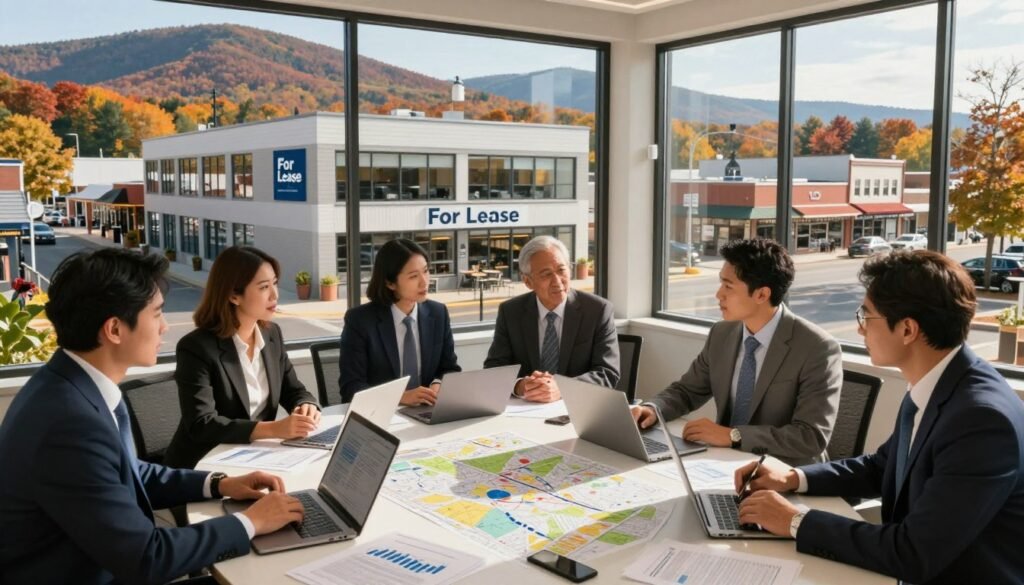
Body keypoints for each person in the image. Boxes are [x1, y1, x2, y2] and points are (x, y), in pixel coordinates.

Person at [0, 248, 304, 584]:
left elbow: (130, 472)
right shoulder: (69, 424)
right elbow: (148, 556)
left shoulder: (72, 387)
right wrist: (251, 523)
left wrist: (220, 483)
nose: (164, 327)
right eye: (157, 314)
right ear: (115, 329)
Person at [736, 250, 1024, 584]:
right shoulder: (939, 383)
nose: (860, 331)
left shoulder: (981, 422)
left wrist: (797, 520)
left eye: (866, 317)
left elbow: (914, 552)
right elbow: (882, 466)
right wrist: (794, 477)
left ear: (907, 330)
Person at [632, 238, 841, 466]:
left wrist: (733, 436)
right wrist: (652, 409)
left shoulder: (817, 348)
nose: (718, 295)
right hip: (724, 463)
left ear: (761, 295)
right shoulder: (722, 333)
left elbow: (810, 437)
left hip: (784, 473)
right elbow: (687, 391)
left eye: (728, 286)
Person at [164, 246, 321, 469]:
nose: (275, 295)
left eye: (274, 283)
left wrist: (306, 405)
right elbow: (202, 424)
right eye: (264, 287)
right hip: (203, 466)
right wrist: (274, 429)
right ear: (233, 295)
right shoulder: (196, 347)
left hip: (255, 458)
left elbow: (293, 390)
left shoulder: (272, 334)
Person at [484, 235, 619, 403]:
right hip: (526, 409)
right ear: (527, 281)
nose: (557, 282)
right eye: (546, 274)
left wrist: (562, 388)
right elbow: (494, 369)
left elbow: (607, 373)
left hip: (578, 408)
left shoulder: (597, 310)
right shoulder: (511, 311)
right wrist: (519, 385)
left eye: (562, 270)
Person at [340, 238, 460, 405]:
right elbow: (351, 388)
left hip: (426, 411)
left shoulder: (438, 313)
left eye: (425, 271)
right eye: (413, 276)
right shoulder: (360, 321)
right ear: (390, 283)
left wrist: (438, 384)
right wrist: (400, 398)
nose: (424, 282)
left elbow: (450, 369)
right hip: (381, 416)